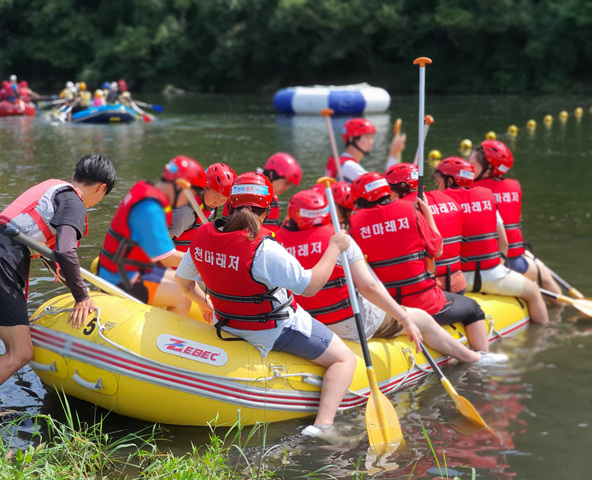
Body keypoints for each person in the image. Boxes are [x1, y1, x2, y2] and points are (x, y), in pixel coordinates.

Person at [175, 172, 356, 436]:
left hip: (226, 322)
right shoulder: (264, 248)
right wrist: (334, 247)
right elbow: (311, 286)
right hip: (272, 330)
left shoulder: (202, 235)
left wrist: (204, 304)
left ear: (230, 204)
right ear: (268, 210)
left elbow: (184, 283)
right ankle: (323, 425)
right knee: (345, 359)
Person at [0, 154, 117, 424]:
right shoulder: (74, 201)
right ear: (101, 188)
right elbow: (66, 249)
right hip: (0, 266)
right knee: (20, 353)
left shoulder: (54, 189)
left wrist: (69, 276)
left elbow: (49, 251)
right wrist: (82, 296)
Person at [276, 189, 481, 363]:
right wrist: (405, 318)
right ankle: (473, 358)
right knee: (423, 319)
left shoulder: (277, 244)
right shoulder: (340, 240)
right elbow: (368, 287)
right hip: (349, 324)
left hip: (308, 325)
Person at [348, 172, 492, 352]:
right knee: (473, 309)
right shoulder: (411, 211)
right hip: (425, 304)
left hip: (386, 309)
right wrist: (427, 214)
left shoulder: (351, 225)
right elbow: (437, 250)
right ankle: (483, 358)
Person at [434, 157, 549, 324]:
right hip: (492, 276)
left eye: (438, 182)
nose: (438, 186)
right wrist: (499, 266)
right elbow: (504, 243)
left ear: (449, 180)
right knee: (533, 291)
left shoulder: (439, 204)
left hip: (458, 281)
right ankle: (542, 336)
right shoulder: (486, 196)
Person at [97, 156, 206, 314]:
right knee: (183, 295)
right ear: (180, 186)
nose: (189, 201)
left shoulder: (144, 189)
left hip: (130, 269)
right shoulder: (150, 209)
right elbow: (167, 257)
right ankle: (170, 337)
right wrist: (207, 261)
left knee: (181, 278)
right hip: (121, 279)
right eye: (192, 194)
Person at [469, 141, 561, 296]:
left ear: (488, 169)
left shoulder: (472, 190)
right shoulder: (514, 187)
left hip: (494, 260)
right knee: (545, 277)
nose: (469, 169)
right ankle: (558, 312)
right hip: (513, 257)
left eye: (472, 165)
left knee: (544, 275)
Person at [385, 163, 466, 294]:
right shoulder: (449, 200)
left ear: (401, 189)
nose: (388, 197)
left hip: (429, 287)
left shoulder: (400, 210)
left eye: (389, 191)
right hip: (458, 283)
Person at [172, 163, 236, 253]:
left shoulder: (209, 205)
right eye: (216, 197)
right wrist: (195, 261)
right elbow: (159, 249)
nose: (218, 203)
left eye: (223, 200)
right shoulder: (186, 213)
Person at [324, 118, 405, 183]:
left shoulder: (340, 162)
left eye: (371, 138)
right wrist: (393, 153)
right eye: (367, 137)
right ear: (352, 139)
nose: (371, 142)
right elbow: (387, 186)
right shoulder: (349, 166)